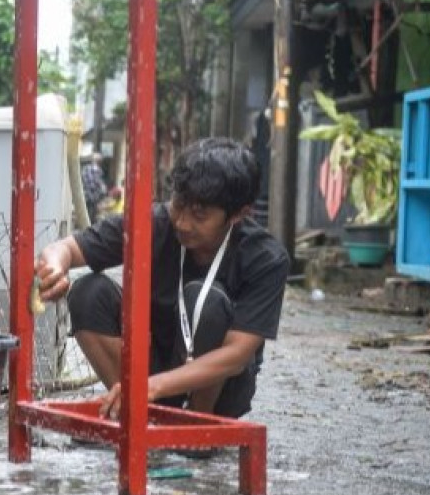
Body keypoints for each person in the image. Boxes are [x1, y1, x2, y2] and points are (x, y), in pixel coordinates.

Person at [35, 137, 290, 421]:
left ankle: (197, 425)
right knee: (88, 292)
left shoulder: (265, 258)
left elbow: (237, 354)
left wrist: (153, 386)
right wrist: (54, 267)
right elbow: (66, 248)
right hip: (153, 375)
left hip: (220, 392)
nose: (182, 222)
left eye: (199, 215)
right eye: (179, 205)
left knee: (207, 301)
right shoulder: (154, 223)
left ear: (238, 215)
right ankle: (134, 411)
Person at [81, 152, 108, 222]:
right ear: (99, 161)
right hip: (94, 196)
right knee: (93, 215)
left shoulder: (85, 169)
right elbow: (99, 184)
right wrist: (104, 191)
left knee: (86, 212)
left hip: (85, 195)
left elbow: (82, 180)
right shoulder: (98, 170)